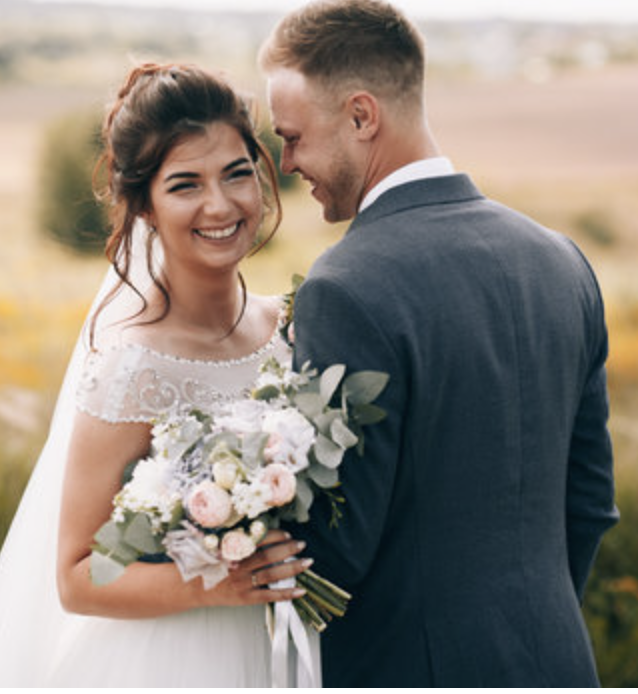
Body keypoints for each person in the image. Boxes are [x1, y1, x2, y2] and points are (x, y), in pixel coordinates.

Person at [259, 0, 619, 687]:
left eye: (294, 136)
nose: (287, 160)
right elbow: (590, 501)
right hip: (560, 663)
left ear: (362, 117)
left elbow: (334, 550)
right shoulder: (562, 259)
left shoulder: (345, 285)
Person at [0, 62, 319, 687]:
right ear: (143, 206)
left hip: (282, 644)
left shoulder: (287, 329)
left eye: (237, 173)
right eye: (185, 185)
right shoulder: (131, 366)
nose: (220, 205)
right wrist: (215, 582)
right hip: (171, 660)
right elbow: (76, 575)